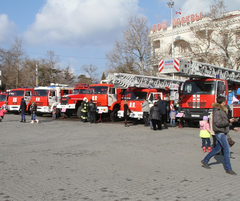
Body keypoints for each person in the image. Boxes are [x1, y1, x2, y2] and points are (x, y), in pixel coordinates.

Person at [201, 96, 237, 175]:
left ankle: (205, 160)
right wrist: (228, 121)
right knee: (226, 150)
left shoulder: (220, 110)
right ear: (223, 102)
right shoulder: (218, 111)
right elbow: (218, 123)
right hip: (220, 132)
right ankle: (228, 168)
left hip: (221, 132)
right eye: (224, 102)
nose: (225, 103)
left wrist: (232, 127)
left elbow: (223, 122)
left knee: (217, 149)